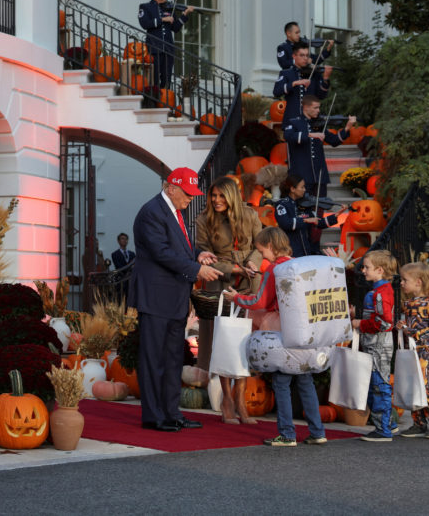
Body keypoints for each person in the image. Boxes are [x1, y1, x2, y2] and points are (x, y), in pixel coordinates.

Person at [128, 167, 223, 432]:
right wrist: (196, 269)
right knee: (154, 358)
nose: (191, 198)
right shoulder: (151, 212)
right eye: (187, 193)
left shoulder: (173, 212)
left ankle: (171, 413)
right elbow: (161, 252)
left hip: (173, 297)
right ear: (171, 188)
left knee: (172, 359)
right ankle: (153, 415)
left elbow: (177, 248)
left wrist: (197, 254)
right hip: (156, 297)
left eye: (193, 193)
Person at [224, 227, 327, 446]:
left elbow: (260, 301)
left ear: (270, 246)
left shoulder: (274, 269)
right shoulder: (298, 265)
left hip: (281, 329)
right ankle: (318, 431)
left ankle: (287, 434)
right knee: (305, 379)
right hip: (305, 330)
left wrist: (237, 298)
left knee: (281, 380)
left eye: (262, 251)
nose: (262, 256)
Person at [194, 177, 262, 424]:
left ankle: (241, 399)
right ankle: (227, 399)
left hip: (249, 282)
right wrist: (233, 269)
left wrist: (252, 261)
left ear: (232, 195)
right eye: (213, 196)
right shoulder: (204, 220)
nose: (216, 200)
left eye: (221, 196)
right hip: (220, 282)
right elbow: (204, 256)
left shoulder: (250, 215)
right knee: (223, 341)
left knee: (243, 342)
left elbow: (260, 244)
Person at [394, 262, 429, 439]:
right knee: (412, 385)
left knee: (424, 386)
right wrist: (403, 325)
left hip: (426, 350)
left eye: (405, 280)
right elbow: (410, 326)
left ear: (418, 282)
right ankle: (419, 423)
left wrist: (415, 333)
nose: (401, 283)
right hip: (412, 350)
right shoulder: (408, 304)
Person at [352, 249, 397, 441]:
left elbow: (385, 323)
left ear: (380, 270)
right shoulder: (380, 292)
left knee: (379, 385)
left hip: (378, 345)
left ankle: (383, 429)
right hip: (374, 344)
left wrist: (360, 324)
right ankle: (388, 423)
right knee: (375, 384)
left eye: (367, 267)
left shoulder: (380, 293)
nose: (363, 270)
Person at [283, 94, 356, 199]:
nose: (318, 110)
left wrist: (347, 127)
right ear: (306, 107)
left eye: (319, 107)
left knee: (321, 204)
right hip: (301, 175)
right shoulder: (294, 122)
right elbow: (288, 136)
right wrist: (311, 134)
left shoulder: (318, 125)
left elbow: (334, 141)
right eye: (315, 108)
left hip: (320, 174)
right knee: (303, 205)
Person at [138, 0, 193, 94]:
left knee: (166, 79)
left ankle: (165, 100)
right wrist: (162, 19)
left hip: (168, 49)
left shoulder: (169, 8)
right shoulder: (145, 7)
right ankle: (153, 100)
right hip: (154, 49)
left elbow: (175, 28)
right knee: (154, 79)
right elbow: (145, 24)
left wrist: (184, 15)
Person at [274, 173, 340, 257]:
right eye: (302, 187)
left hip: (306, 251)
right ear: (292, 189)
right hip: (290, 252)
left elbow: (318, 222)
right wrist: (305, 220)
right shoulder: (282, 205)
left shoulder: (304, 205)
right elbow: (286, 223)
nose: (304, 190)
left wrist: (335, 216)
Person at [273, 41, 332, 124]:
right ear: (294, 56)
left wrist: (325, 79)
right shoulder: (286, 73)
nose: (305, 58)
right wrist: (294, 83)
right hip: (292, 120)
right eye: (302, 55)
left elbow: (321, 96)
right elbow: (276, 92)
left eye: (307, 55)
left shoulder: (314, 74)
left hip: (311, 122)